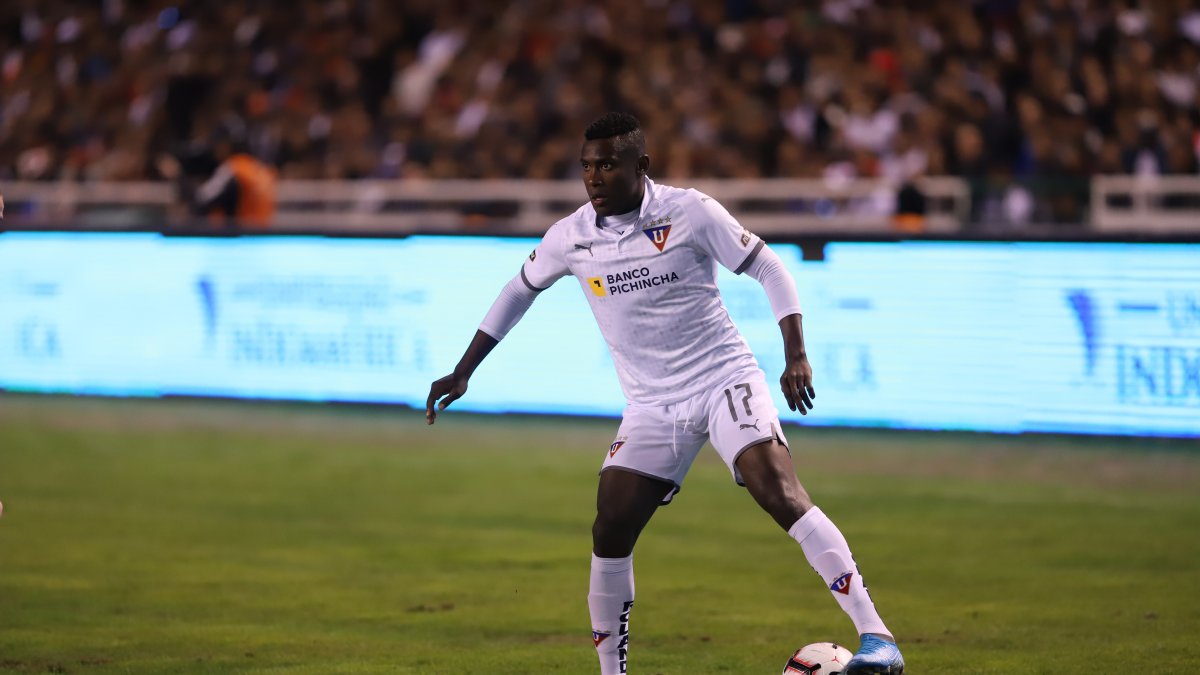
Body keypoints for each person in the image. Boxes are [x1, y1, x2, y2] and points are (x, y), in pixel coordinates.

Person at [425, 112, 904, 675]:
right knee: (610, 526)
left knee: (776, 488)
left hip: (723, 378)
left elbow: (770, 267)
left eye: (607, 164)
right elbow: (518, 290)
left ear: (640, 166)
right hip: (652, 405)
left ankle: (877, 636)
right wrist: (464, 370)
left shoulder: (690, 211)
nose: (594, 177)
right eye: (586, 166)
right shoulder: (570, 236)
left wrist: (795, 351)